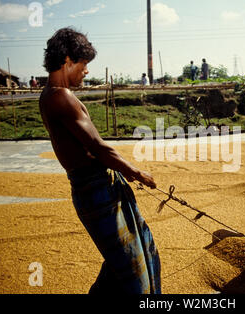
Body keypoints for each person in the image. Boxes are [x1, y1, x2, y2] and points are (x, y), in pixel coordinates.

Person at [39, 27, 161, 294]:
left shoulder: (51, 95)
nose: (86, 71)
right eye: (83, 64)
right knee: (131, 271)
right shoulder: (60, 97)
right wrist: (136, 172)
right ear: (68, 61)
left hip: (98, 188)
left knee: (135, 254)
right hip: (95, 192)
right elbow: (98, 147)